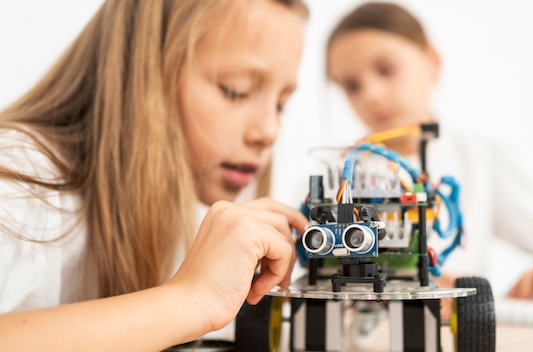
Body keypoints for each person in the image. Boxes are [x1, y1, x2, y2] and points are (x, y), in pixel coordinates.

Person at [0, 0, 309, 350]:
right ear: (142, 70)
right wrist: (188, 299)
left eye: (280, 105)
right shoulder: (18, 184)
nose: (269, 131)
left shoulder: (185, 217)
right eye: (235, 90)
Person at [324, 2, 533, 301]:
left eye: (386, 69)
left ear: (432, 60)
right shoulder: (333, 173)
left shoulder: (479, 159)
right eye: (352, 86)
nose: (372, 95)